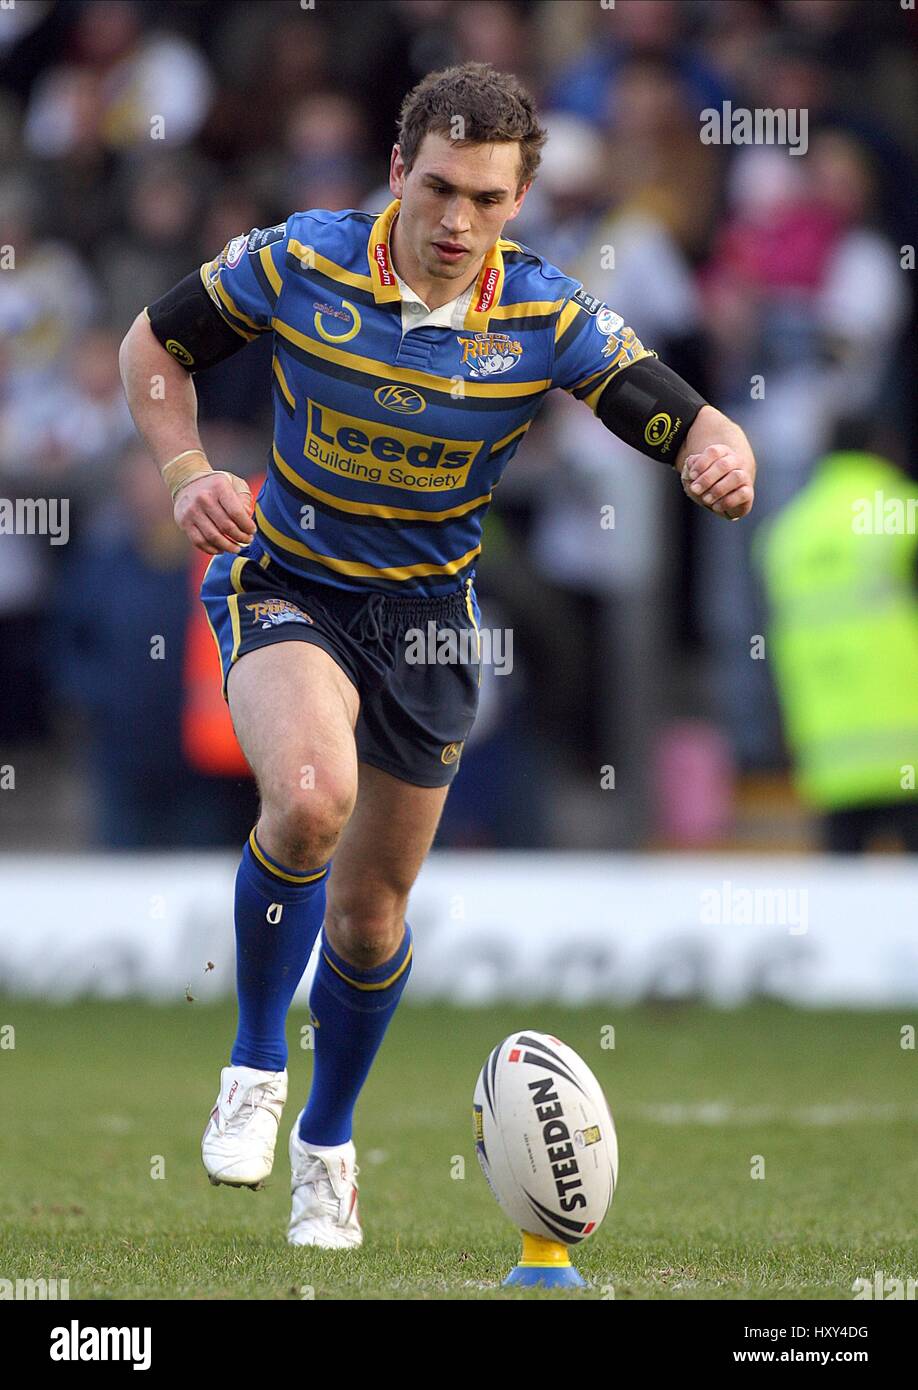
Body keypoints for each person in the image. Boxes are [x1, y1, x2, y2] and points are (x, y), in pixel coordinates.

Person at [118, 62, 756, 1250]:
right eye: (442, 189)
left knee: (369, 917)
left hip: (428, 622)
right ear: (397, 173)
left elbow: (684, 413)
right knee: (309, 801)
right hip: (290, 580)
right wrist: (188, 471)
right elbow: (151, 350)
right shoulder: (296, 260)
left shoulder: (547, 316)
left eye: (490, 200)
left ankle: (328, 1139)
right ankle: (254, 1067)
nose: (460, 222)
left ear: (520, 204)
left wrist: (723, 453)